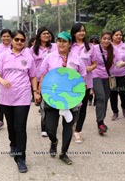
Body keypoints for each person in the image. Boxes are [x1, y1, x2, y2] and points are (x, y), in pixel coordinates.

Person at [0, 30, 40, 173]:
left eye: (22, 40)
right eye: (17, 39)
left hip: (23, 96)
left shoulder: (28, 57)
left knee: (20, 127)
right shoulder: (3, 56)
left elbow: (32, 76)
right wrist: (2, 80)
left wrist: (35, 92)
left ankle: (21, 158)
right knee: (11, 127)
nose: (19, 42)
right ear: (12, 40)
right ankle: (13, 143)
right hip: (6, 98)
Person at [39, 31, 86, 165]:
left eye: (64, 41)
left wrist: (81, 94)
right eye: (59, 40)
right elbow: (43, 75)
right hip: (53, 98)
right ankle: (53, 141)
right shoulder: (49, 57)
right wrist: (39, 92)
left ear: (70, 43)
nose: (61, 43)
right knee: (50, 128)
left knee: (68, 126)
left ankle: (64, 153)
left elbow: (82, 76)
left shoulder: (76, 58)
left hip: (71, 99)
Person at [70, 23, 97, 143]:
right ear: (74, 33)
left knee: (82, 108)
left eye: (83, 31)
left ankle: (77, 131)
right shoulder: (69, 46)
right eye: (79, 31)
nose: (82, 33)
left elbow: (95, 63)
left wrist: (90, 68)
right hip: (70, 83)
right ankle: (70, 126)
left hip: (86, 82)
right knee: (70, 106)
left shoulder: (90, 47)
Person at [29, 27, 57, 137]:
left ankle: (51, 124)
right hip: (38, 80)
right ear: (39, 35)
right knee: (43, 104)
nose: (47, 35)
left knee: (50, 103)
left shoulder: (54, 47)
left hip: (52, 80)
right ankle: (44, 127)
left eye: (48, 33)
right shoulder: (32, 50)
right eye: (44, 33)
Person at [92, 31, 120, 135]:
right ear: (100, 39)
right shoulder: (94, 49)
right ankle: (100, 122)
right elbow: (86, 58)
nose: (106, 40)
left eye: (108, 39)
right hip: (95, 75)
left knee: (105, 99)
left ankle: (101, 122)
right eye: (104, 38)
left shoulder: (113, 50)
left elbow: (117, 63)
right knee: (101, 97)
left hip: (107, 77)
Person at [110, 29, 125, 120]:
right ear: (112, 36)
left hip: (124, 74)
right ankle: (115, 112)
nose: (119, 36)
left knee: (123, 92)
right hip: (111, 75)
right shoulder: (109, 46)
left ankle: (123, 106)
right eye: (116, 35)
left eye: (120, 35)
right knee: (113, 93)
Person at [88, 35, 100, 106]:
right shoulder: (88, 49)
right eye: (92, 42)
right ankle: (89, 99)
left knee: (96, 88)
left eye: (95, 42)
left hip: (98, 70)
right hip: (90, 70)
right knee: (90, 87)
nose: (93, 43)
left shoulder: (100, 49)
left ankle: (96, 101)